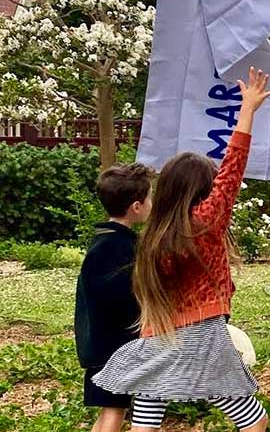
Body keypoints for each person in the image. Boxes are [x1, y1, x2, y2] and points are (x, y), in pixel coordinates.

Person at [92, 67, 270, 432]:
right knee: (254, 422)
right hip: (202, 334)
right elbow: (232, 170)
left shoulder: (154, 233)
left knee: (145, 423)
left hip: (156, 335)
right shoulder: (203, 223)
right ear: (202, 191)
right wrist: (248, 110)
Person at [75, 163, 154, 432]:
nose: (152, 203)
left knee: (109, 412)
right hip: (113, 348)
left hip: (101, 345)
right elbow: (121, 298)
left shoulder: (105, 241)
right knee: (114, 413)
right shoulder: (115, 248)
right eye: (150, 198)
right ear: (136, 206)